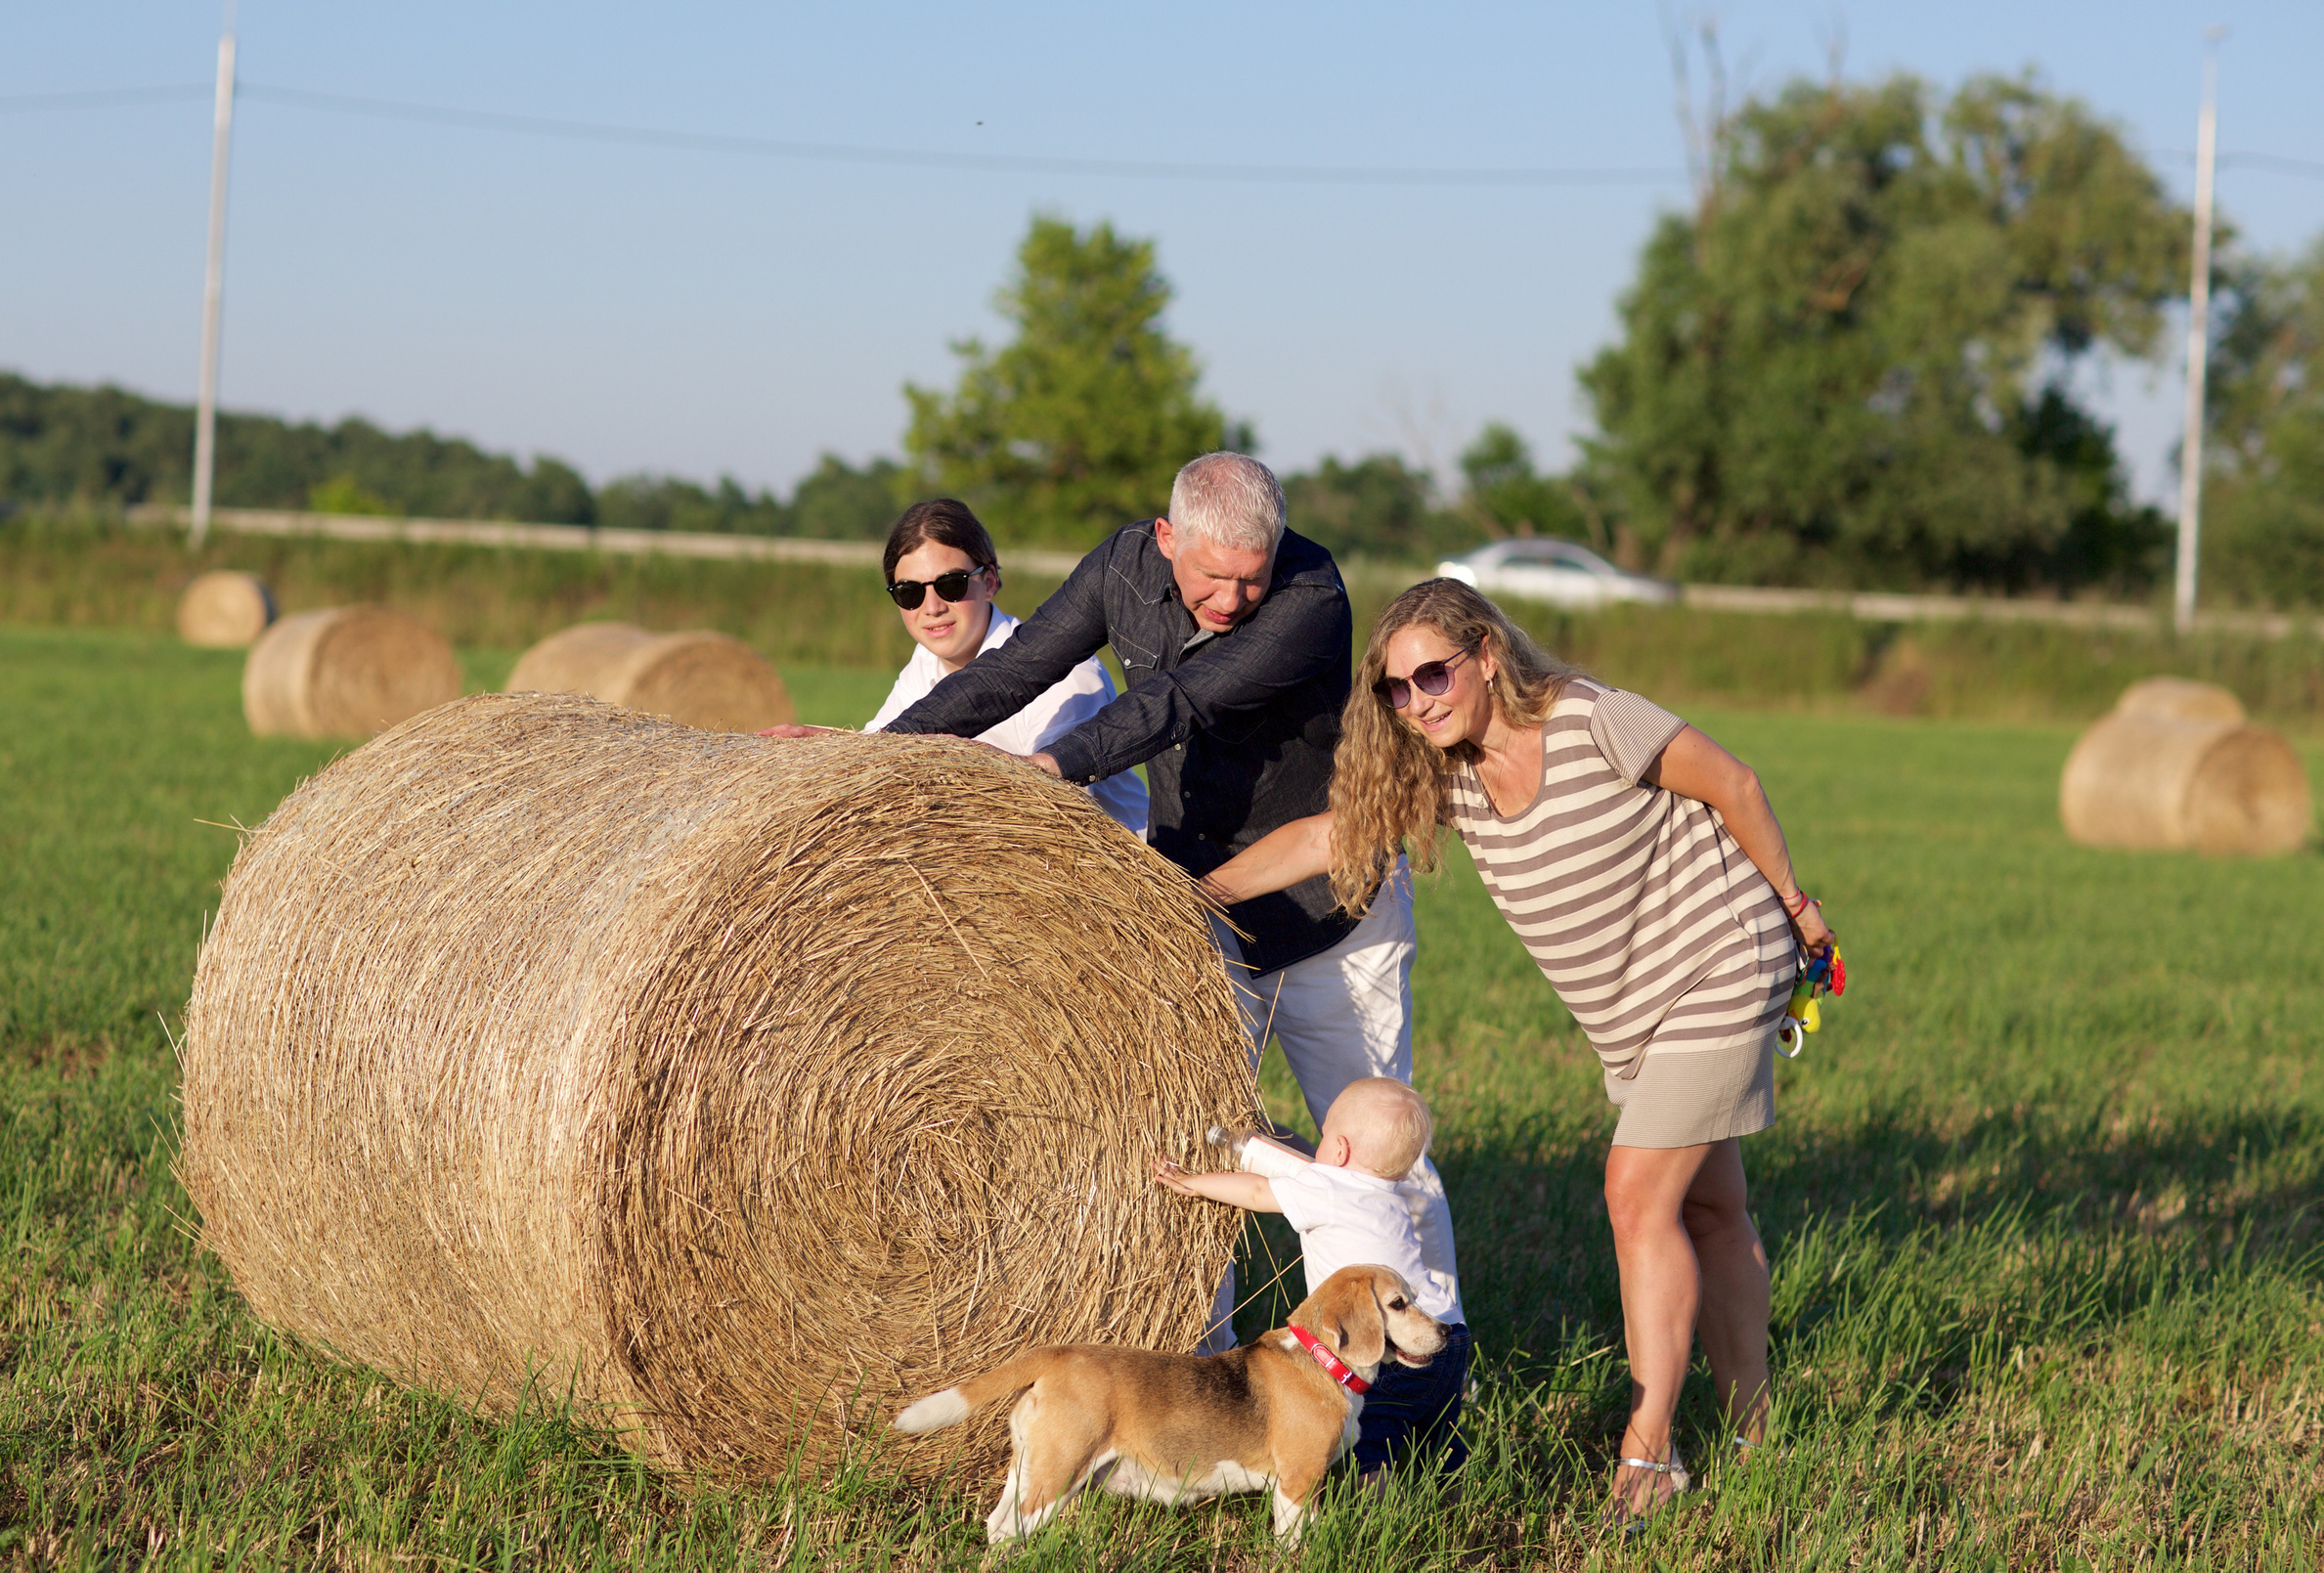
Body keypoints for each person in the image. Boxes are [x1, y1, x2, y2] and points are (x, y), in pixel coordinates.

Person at [1203, 577, 1834, 1527]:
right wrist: (1188, 894)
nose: (1417, 701)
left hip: (1722, 960)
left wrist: (1797, 908)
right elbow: (1324, 839)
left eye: (1432, 675)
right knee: (1708, 1206)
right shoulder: (1441, 775)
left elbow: (1733, 782)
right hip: (1632, 1015)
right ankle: (1753, 1427)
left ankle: (1647, 1449)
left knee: (1634, 1193)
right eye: (1394, 690)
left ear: (1487, 654)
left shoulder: (1593, 721)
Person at [869, 453, 1461, 1352]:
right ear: (1166, 539)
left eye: (1249, 577)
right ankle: (1207, 1355)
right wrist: (873, 759)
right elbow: (1017, 666)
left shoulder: (1312, 594)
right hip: (1200, 904)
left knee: (1380, 1157)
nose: (1230, 599)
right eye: (1212, 577)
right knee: (1204, 1141)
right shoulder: (1120, 567)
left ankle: (1436, 1348)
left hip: (1335, 912)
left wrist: (1050, 766)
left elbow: (1179, 702)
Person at [1152, 1077, 1469, 1479]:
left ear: (1339, 1150)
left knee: (1372, 1434)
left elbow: (1255, 1191)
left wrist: (1193, 1184)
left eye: (1322, 1138)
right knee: (1439, 1433)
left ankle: (1373, 1515)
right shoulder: (1392, 1198)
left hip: (1389, 1341)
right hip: (1448, 1332)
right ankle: (1455, 1487)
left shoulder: (1327, 1187)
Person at [772, 499, 1148, 831]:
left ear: (990, 581)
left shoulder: (1068, 675)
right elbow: (881, 754)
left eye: (951, 585)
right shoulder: (926, 663)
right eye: (909, 593)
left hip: (1114, 885)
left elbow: (1057, 806)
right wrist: (824, 748)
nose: (932, 607)